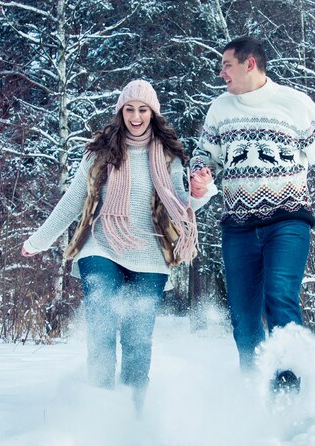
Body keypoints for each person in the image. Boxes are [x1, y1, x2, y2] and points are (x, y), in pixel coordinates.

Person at [21, 79, 213, 413]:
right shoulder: (99, 153)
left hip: (150, 256)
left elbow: (181, 209)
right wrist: (39, 241)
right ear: (120, 112)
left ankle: (132, 413)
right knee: (102, 328)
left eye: (142, 109)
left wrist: (200, 193)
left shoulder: (169, 158)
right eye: (129, 109)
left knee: (137, 341)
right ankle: (100, 410)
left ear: (153, 114)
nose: (135, 116)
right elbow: (72, 202)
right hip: (101, 249)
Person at [190, 37, 315, 384]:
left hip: (287, 219)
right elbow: (205, 155)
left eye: (227, 65)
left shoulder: (296, 104)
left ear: (249, 64)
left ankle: (291, 388)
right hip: (237, 226)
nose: (222, 73)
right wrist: (200, 174)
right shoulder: (220, 108)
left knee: (279, 294)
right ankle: (254, 391)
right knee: (244, 316)